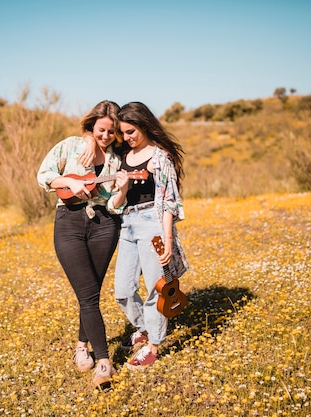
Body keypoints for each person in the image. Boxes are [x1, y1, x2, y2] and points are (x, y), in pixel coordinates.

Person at [37, 100, 128, 387]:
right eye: (100, 130)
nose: (105, 136)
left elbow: (115, 205)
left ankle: (81, 346)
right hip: (69, 222)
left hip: (104, 224)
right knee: (87, 294)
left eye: (111, 132)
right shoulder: (71, 146)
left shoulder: (117, 158)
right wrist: (68, 181)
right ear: (92, 126)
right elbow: (44, 175)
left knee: (90, 292)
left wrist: (123, 188)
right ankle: (104, 362)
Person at [112, 101, 189, 369]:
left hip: (152, 225)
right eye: (124, 133)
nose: (128, 137)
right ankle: (144, 328)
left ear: (144, 126)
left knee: (157, 288)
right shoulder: (122, 157)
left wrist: (167, 240)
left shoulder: (160, 157)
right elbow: (118, 199)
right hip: (127, 224)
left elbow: (169, 202)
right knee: (122, 290)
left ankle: (153, 346)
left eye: (131, 131)